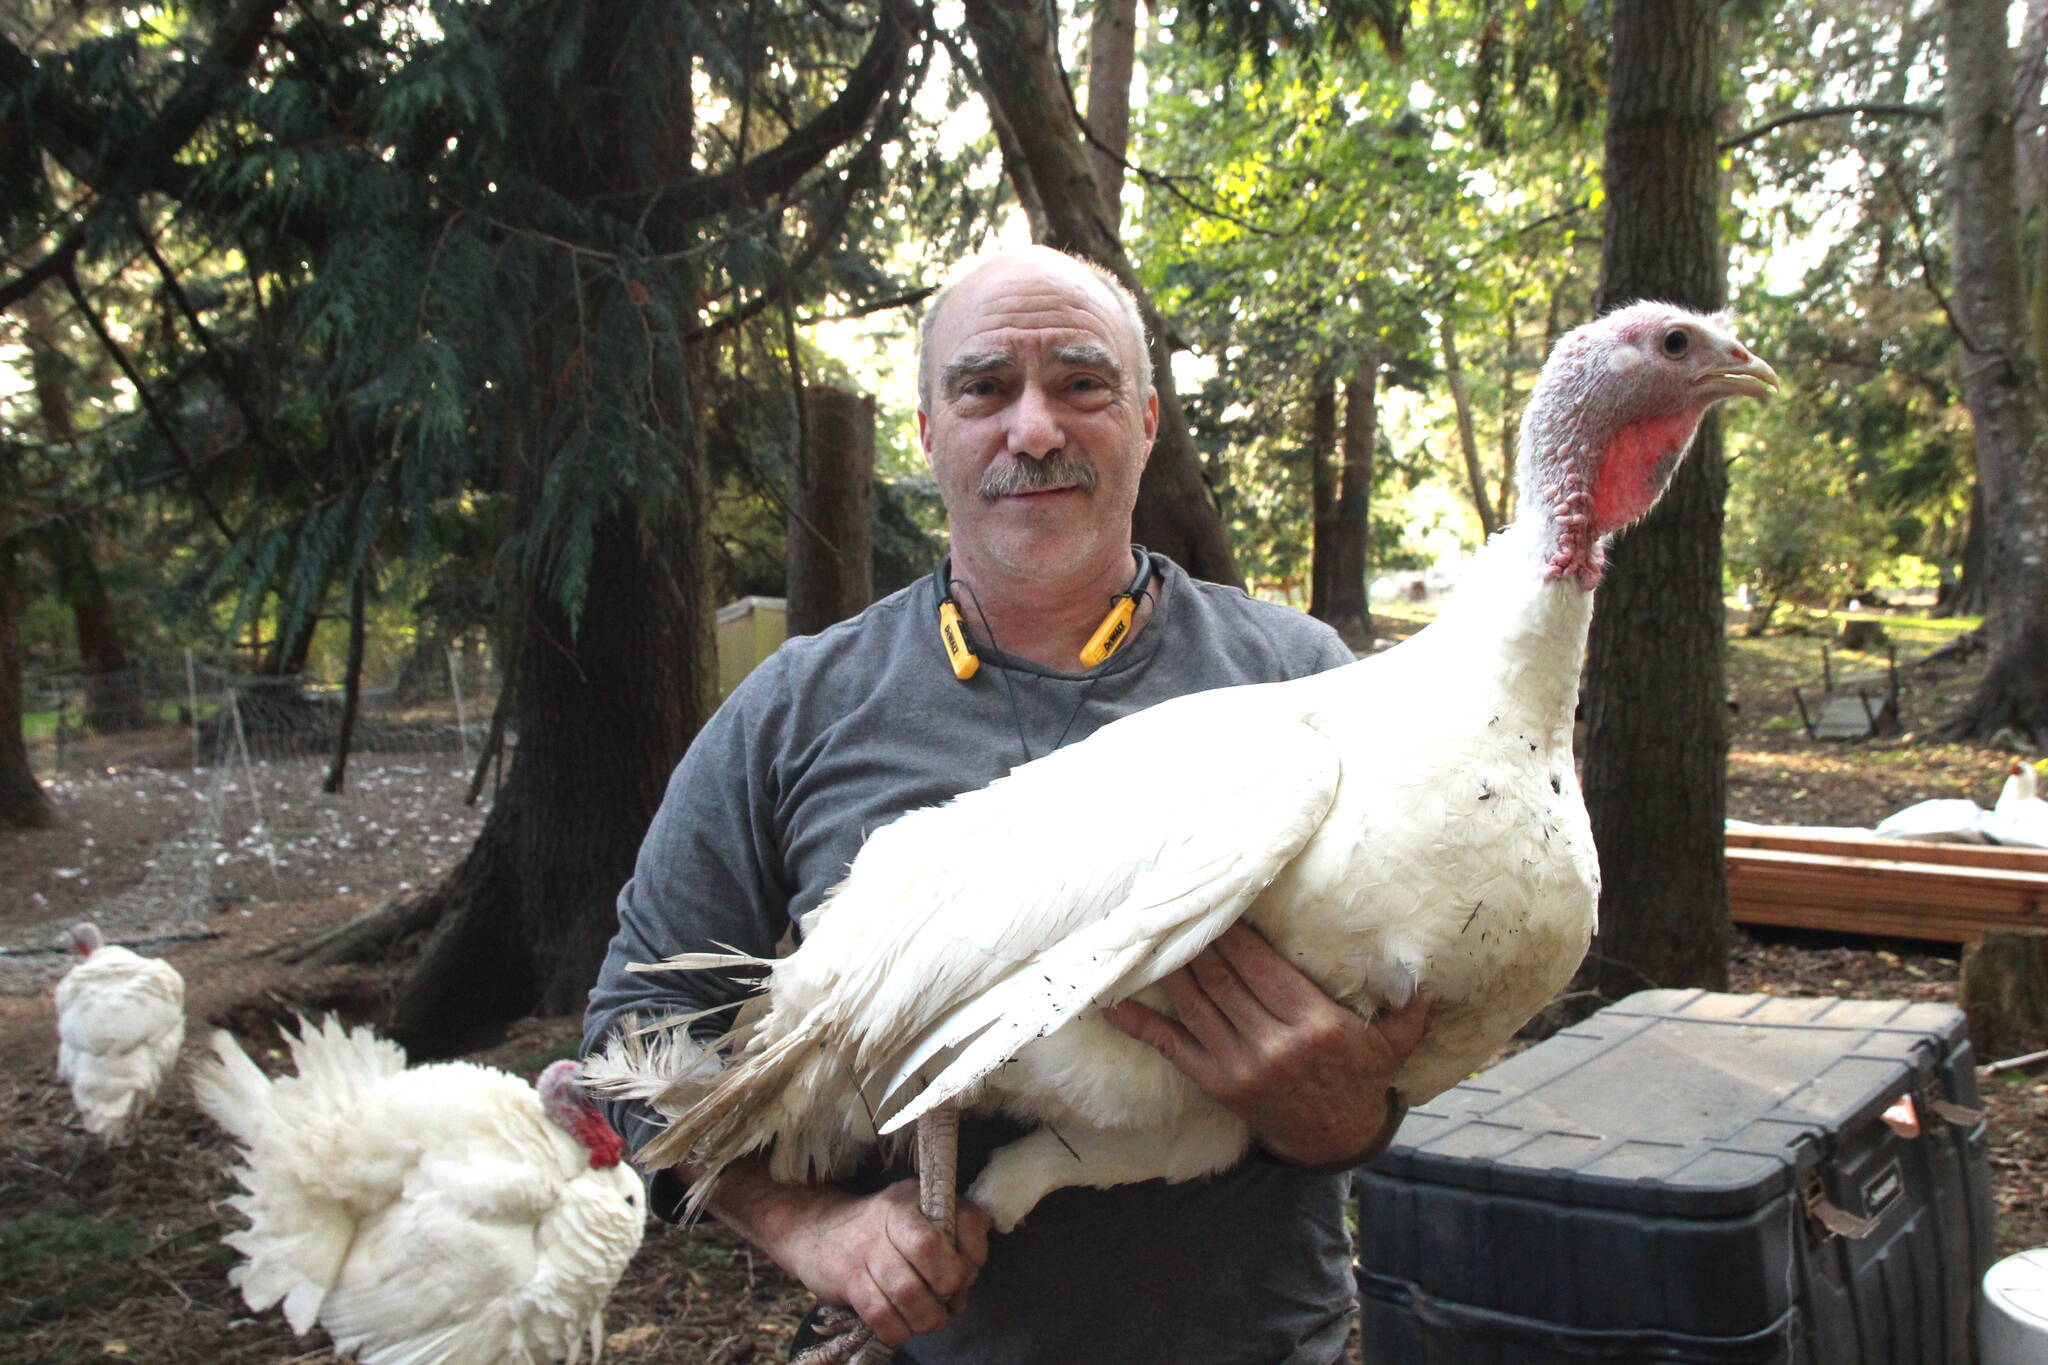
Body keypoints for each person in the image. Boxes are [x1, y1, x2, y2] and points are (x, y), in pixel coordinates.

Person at [582, 244, 1428, 1364]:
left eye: (1082, 386)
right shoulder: (797, 709)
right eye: (983, 390)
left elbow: (1413, 1031)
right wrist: (814, 1230)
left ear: (1145, 421)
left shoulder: (1307, 684)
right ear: (928, 431)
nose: (1032, 431)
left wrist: (1346, 1120)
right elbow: (628, 1042)